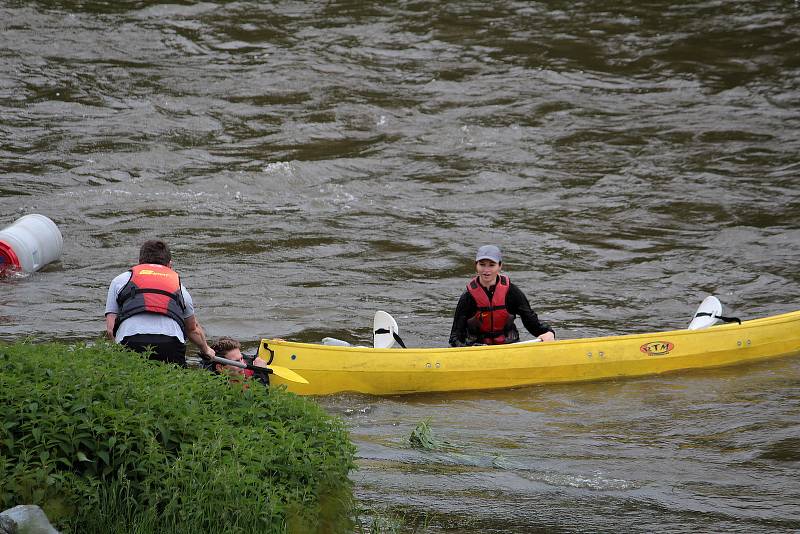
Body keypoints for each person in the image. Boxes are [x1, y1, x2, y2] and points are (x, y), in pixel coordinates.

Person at [105, 239, 214, 365]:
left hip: (130, 341)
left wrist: (118, 351)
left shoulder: (120, 280)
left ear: (140, 262)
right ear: (170, 265)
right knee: (174, 382)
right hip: (171, 344)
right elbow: (192, 329)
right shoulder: (180, 287)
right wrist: (206, 349)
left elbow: (110, 328)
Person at [449, 245, 555, 346]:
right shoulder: (468, 297)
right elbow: (454, 337)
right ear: (476, 265)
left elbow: (531, 322)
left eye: (491, 265)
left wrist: (548, 332)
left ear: (500, 266)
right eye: (482, 264)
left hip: (508, 346)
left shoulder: (512, 292)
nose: (486, 270)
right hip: (477, 348)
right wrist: (466, 349)